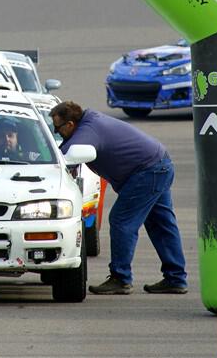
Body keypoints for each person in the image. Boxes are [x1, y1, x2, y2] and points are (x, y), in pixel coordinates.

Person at [49, 101, 187, 295]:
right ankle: (176, 278)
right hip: (158, 165)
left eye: (57, 128)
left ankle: (121, 278)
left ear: (70, 124)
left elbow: (62, 158)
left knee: (121, 220)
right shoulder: (91, 122)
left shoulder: (88, 131)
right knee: (162, 223)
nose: (57, 133)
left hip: (148, 172)